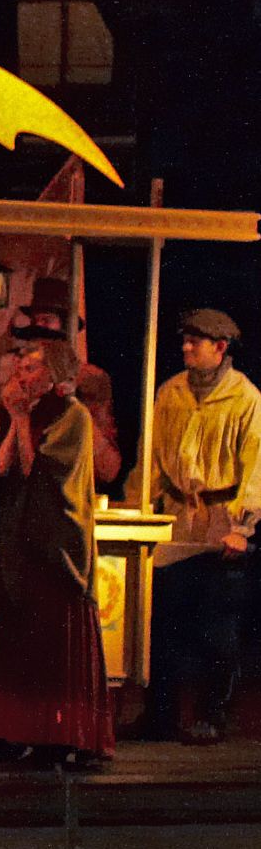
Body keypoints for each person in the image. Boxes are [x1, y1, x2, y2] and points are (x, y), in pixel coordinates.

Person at [0, 336, 111, 762]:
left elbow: (42, 474)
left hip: (54, 549)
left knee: (52, 646)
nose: (21, 375)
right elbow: (3, 467)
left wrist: (19, 419)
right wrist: (16, 420)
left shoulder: (74, 416)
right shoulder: (26, 415)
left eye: (31, 368)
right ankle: (16, 730)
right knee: (18, 644)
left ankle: (60, 733)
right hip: (20, 545)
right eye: (20, 368)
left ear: (53, 376)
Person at [144, 307, 258, 744]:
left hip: (219, 523)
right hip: (177, 520)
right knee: (163, 623)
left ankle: (213, 713)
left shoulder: (246, 399)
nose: (187, 348)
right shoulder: (172, 391)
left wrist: (242, 528)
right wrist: (141, 500)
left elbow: (256, 467)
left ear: (221, 348)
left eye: (196, 342)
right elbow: (153, 451)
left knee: (217, 628)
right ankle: (160, 715)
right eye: (185, 340)